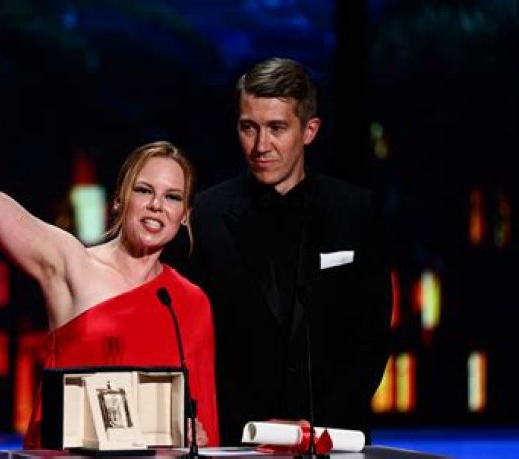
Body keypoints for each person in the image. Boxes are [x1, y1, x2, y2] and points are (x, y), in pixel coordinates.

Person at [0, 50, 218, 448]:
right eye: (144, 190)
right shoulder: (70, 263)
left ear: (185, 215)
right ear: (119, 200)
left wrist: (197, 438)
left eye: (172, 197)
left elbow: (202, 418)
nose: (157, 205)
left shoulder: (188, 302)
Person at [163, 57, 392, 444]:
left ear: (309, 130)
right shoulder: (203, 215)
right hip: (235, 438)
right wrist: (235, 427)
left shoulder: (355, 211)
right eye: (248, 128)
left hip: (333, 437)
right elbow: (183, 339)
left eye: (277, 128)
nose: (260, 146)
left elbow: (372, 337)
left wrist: (314, 426)